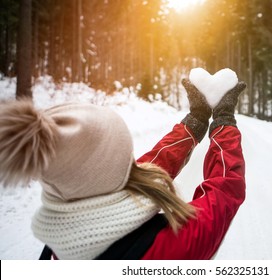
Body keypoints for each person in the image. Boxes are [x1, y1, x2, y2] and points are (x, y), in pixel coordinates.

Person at [0, 78, 246, 260]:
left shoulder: (63, 236)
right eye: (125, 158)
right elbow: (224, 192)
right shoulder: (163, 249)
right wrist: (223, 121)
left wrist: (195, 122)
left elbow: (145, 169)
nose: (134, 162)